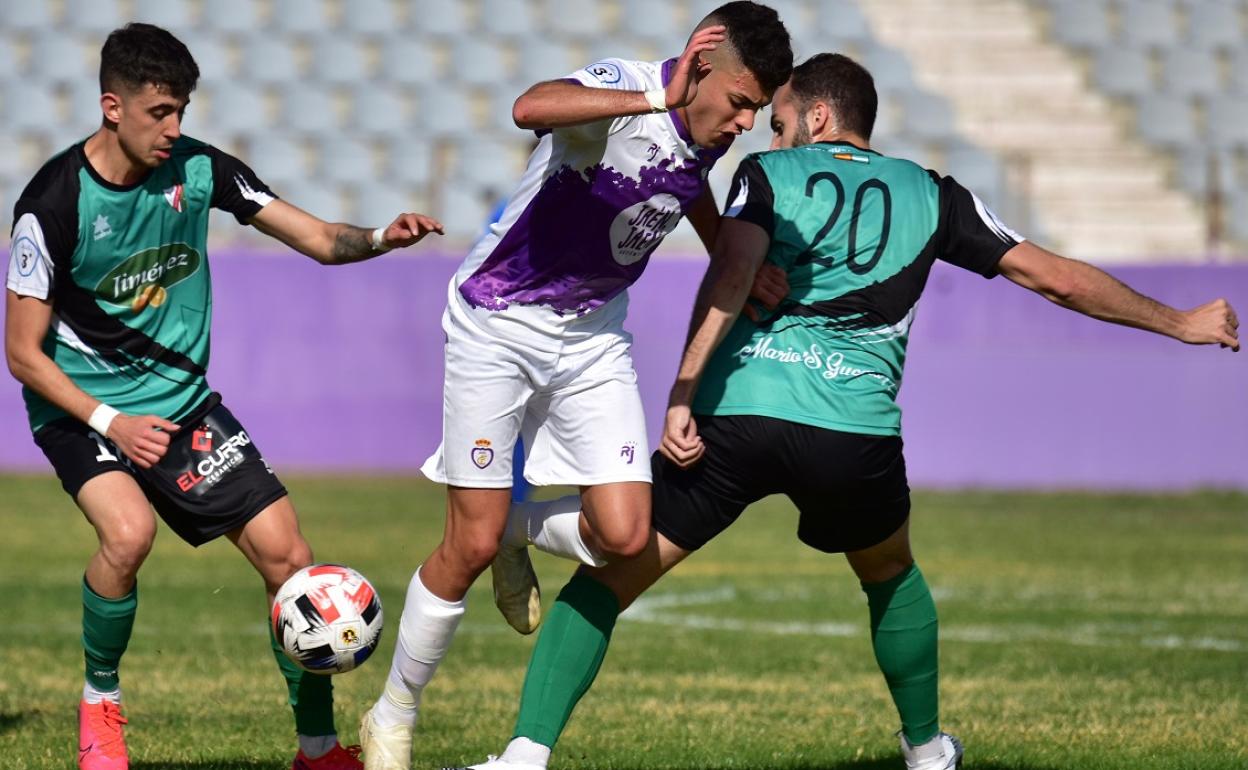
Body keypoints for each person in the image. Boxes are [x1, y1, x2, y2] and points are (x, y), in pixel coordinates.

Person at [448, 53, 1241, 770]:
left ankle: (523, 758)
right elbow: (1056, 279)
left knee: (608, 579)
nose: (769, 133)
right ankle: (928, 753)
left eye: (782, 119)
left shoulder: (768, 178)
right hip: (851, 433)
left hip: (738, 418)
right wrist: (1180, 322)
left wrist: (684, 392)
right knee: (890, 571)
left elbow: (732, 271)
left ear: (820, 117)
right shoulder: (934, 194)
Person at [357, 4, 792, 769]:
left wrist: (735, 256)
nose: (748, 122)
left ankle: (519, 526)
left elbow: (677, 180)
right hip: (497, 321)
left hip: (592, 339)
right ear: (701, 69)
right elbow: (531, 107)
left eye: (759, 108)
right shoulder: (628, 88)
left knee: (624, 536)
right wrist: (656, 98)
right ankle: (392, 714)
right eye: (741, 101)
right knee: (468, 541)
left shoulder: (705, 134)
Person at [3, 23, 444, 770]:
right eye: (159, 113)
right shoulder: (52, 202)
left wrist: (379, 236)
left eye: (181, 111)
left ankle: (316, 751)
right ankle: (100, 708)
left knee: (290, 558)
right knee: (127, 535)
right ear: (113, 106)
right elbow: (21, 352)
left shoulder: (200, 170)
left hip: (180, 401)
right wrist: (111, 419)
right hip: (83, 407)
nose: (175, 129)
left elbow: (314, 237)